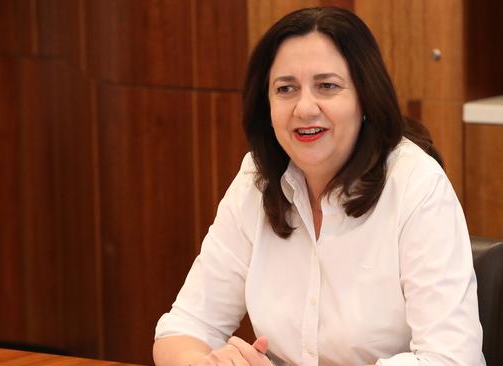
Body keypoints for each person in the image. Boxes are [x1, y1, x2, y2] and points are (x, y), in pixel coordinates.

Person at [153, 7, 485, 366]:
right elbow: (185, 326)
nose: (304, 107)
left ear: (365, 98)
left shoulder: (416, 184)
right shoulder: (257, 179)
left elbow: (453, 359)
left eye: (327, 86)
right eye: (286, 89)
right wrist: (205, 364)